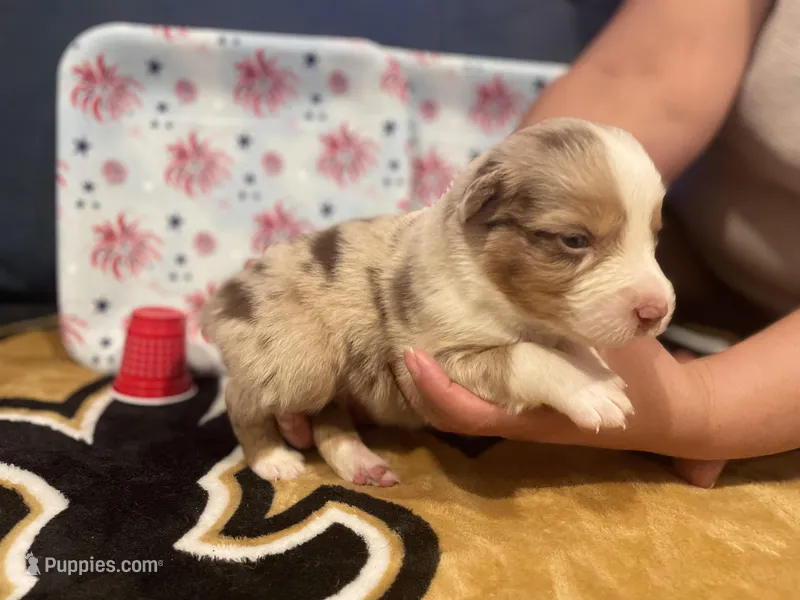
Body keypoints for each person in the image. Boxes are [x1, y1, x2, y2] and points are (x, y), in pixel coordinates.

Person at [277, 0, 800, 488]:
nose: (653, 296)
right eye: (575, 239)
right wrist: (471, 284)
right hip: (714, 281)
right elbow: (648, 75)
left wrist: (707, 407)